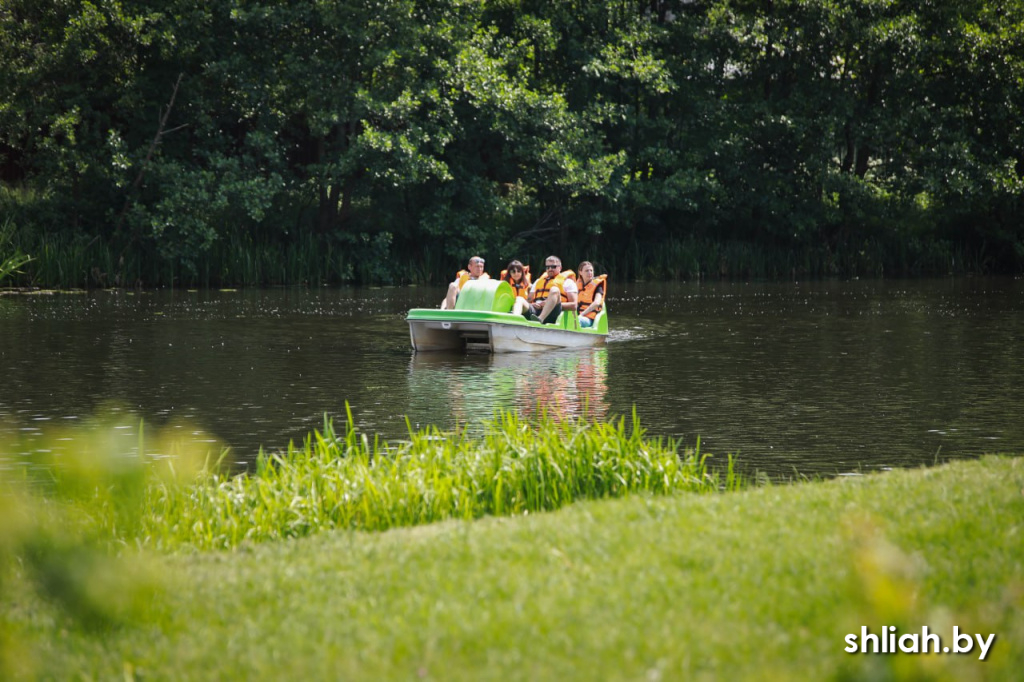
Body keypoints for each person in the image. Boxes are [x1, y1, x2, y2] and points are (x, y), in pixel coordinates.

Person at [526, 255, 577, 324]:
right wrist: (533, 304)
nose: (550, 269)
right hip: (536, 310)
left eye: (553, 267)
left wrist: (548, 304)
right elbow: (529, 300)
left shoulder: (568, 282)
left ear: (560, 268)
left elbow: (574, 305)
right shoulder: (538, 281)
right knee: (520, 299)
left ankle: (540, 319)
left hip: (554, 312)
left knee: (554, 290)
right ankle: (514, 318)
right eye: (547, 267)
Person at [575, 261, 607, 328]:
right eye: (587, 271)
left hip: (590, 319)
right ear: (580, 272)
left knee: (577, 321)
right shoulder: (577, 285)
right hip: (577, 316)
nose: (590, 273)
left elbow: (597, 303)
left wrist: (582, 314)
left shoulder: (598, 286)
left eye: (591, 270)